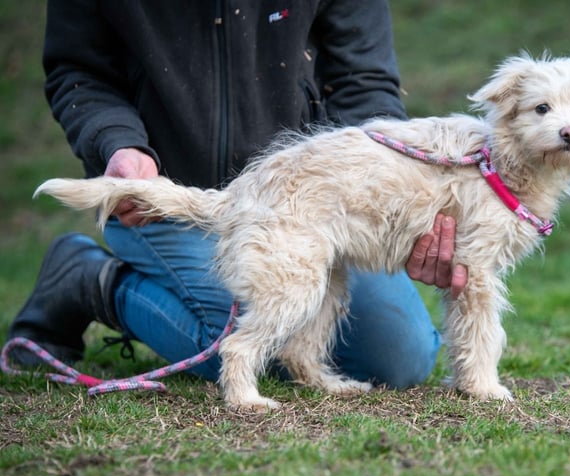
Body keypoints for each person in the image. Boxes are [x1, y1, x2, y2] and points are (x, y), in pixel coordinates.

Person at [7, 0, 467, 389]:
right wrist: (119, 143)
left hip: (312, 201)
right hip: (162, 196)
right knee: (254, 341)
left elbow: (363, 83)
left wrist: (392, 198)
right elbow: (78, 70)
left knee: (399, 359)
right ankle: (92, 282)